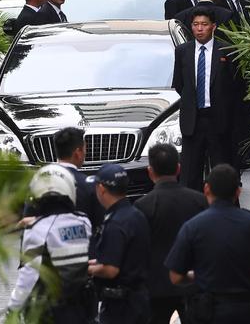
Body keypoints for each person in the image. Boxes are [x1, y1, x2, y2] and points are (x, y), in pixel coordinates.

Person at [165, 164, 250, 324]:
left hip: (209, 311)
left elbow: (175, 277)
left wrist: (198, 276)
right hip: (247, 310)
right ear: (238, 192)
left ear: (206, 189)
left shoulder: (193, 227)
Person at [8, 164, 93, 323]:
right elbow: (60, 225)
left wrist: (12, 308)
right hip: (81, 309)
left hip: (52, 311)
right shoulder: (84, 222)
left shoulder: (36, 229)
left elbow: (28, 276)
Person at [134, 143, 208, 324]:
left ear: (150, 171)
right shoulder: (199, 201)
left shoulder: (143, 206)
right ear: (178, 169)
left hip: (156, 287)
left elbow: (138, 249)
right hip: (193, 285)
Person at [172, 6, 239, 190]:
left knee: (222, 173)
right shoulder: (183, 51)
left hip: (218, 119)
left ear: (213, 26)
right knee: (190, 175)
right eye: (195, 24)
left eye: (204, 24)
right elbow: (179, 84)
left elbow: (237, 86)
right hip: (193, 120)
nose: (199, 29)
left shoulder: (226, 50)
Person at [87, 164, 151, 324]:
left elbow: (110, 270)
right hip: (140, 300)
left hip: (121, 308)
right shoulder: (136, 215)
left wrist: (84, 268)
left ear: (101, 189)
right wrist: (96, 262)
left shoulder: (115, 223)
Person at [22, 127, 103, 233]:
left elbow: (28, 219)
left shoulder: (39, 182)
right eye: (84, 149)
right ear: (77, 153)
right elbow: (100, 224)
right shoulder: (89, 185)